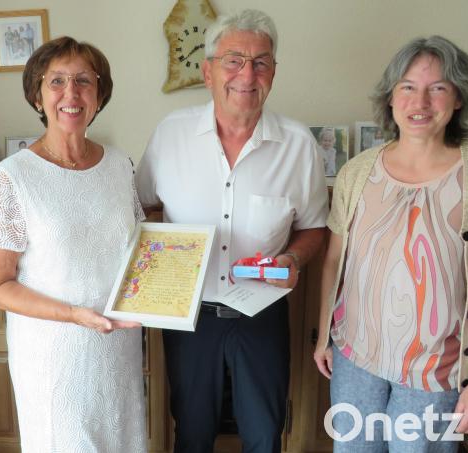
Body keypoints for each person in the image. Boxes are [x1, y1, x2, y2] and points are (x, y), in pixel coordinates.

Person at [314, 35, 468, 452]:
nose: (421, 102)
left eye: (438, 88)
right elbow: (334, 261)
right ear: (390, 97)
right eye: (408, 87)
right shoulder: (356, 173)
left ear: (459, 99)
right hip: (355, 358)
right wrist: (325, 335)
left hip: (439, 369)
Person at [136, 9, 328, 453]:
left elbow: (315, 228)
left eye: (261, 62)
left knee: (264, 433)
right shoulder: (170, 134)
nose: (248, 73)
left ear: (274, 73)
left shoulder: (299, 146)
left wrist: (293, 259)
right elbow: (144, 206)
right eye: (234, 60)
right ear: (208, 71)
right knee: (192, 431)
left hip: (263, 313)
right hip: (190, 317)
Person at [0, 36, 147, 452]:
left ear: (100, 94)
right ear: (37, 96)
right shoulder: (13, 176)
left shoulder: (120, 165)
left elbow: (142, 250)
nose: (71, 93)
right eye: (57, 82)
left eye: (84, 81)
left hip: (117, 347)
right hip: (54, 357)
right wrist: (73, 315)